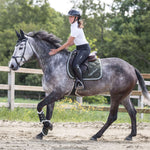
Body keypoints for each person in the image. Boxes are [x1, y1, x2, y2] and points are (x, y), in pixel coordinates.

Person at [49, 9, 91, 90]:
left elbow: (68, 42)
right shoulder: (73, 26)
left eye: (71, 17)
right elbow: (73, 42)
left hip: (84, 49)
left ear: (76, 18)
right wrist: (66, 46)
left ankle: (80, 82)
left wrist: (57, 50)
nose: (69, 18)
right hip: (79, 48)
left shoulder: (76, 28)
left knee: (75, 64)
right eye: (69, 17)